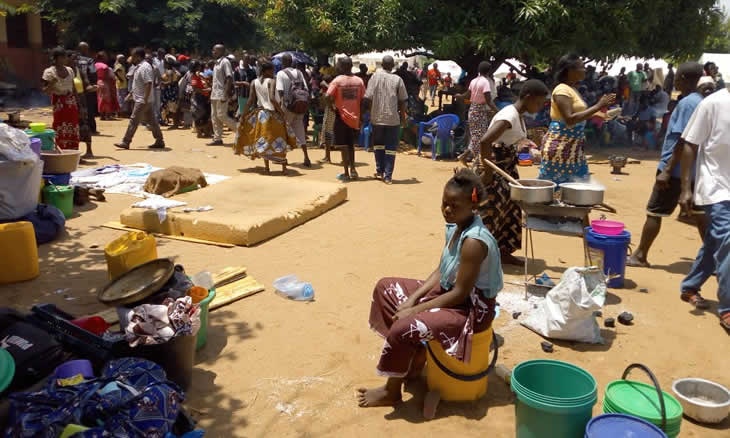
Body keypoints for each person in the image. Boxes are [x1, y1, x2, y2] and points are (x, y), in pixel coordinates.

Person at [357, 168, 502, 417]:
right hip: (451, 293)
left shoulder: (474, 242)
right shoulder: (455, 226)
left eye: (454, 205)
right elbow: (441, 269)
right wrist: (412, 299)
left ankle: (392, 391)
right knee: (386, 288)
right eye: (444, 203)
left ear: (472, 205)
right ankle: (411, 362)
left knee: (406, 325)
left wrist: (414, 310)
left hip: (471, 310)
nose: (447, 210)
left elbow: (460, 293)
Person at [627, 62, 706, 269]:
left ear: (684, 79)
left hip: (676, 169)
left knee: (655, 211)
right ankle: (715, 259)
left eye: (677, 78)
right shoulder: (701, 102)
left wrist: (668, 170)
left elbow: (683, 140)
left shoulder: (688, 103)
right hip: (695, 169)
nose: (675, 82)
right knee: (701, 216)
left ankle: (640, 255)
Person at [472, 80, 549, 266]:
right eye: (538, 103)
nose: (539, 107)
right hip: (494, 166)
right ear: (528, 97)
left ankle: (502, 251)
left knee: (510, 212)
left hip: (506, 167)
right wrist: (488, 172)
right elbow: (485, 142)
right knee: (490, 213)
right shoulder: (509, 115)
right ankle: (478, 257)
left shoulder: (518, 116)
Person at [677, 79, 730, 330]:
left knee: (715, 242)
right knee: (728, 241)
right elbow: (690, 143)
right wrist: (686, 188)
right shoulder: (713, 103)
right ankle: (728, 307)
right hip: (716, 185)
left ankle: (690, 286)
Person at [538, 54, 615, 185]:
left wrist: (598, 114)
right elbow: (569, 119)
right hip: (561, 148)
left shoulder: (572, 89)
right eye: (581, 67)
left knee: (578, 188)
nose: (585, 70)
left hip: (574, 148)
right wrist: (598, 106)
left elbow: (577, 114)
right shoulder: (562, 90)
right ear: (569, 70)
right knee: (555, 189)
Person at [235, 59, 296, 174]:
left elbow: (250, 101)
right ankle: (283, 168)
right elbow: (272, 99)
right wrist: (281, 112)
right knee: (279, 139)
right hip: (272, 115)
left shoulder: (254, 82)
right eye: (272, 70)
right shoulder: (271, 81)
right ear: (267, 71)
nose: (274, 72)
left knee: (264, 140)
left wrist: (243, 115)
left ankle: (267, 168)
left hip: (260, 115)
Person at [363, 55, 408, 185]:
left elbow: (368, 98)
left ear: (381, 65)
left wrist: (368, 113)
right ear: (393, 65)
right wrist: (403, 119)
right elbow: (402, 102)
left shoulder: (374, 77)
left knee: (378, 146)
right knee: (390, 148)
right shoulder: (398, 79)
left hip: (377, 118)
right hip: (392, 119)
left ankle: (379, 171)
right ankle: (388, 176)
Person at [114, 47, 165, 150]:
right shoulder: (139, 67)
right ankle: (159, 141)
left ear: (137, 57)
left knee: (133, 120)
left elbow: (148, 83)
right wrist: (131, 93)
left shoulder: (144, 67)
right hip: (144, 99)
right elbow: (139, 83)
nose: (131, 58)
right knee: (153, 121)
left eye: (132, 56)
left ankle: (126, 141)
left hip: (142, 100)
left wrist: (144, 99)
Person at [325, 57, 366, 181]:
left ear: (342, 66)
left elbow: (327, 96)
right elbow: (364, 99)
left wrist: (332, 108)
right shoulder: (359, 81)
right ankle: (353, 169)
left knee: (343, 146)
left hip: (341, 117)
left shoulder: (337, 81)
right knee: (351, 145)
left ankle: (346, 172)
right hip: (355, 118)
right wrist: (361, 115)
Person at [456, 61, 499, 163]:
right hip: (480, 111)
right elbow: (488, 100)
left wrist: (459, 96)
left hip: (472, 109)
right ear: (489, 71)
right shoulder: (485, 82)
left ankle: (474, 159)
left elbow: (467, 94)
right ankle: (469, 157)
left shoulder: (474, 81)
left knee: (477, 137)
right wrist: (498, 111)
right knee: (479, 138)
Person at [276, 53, 311, 166]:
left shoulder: (281, 73)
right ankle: (306, 157)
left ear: (283, 62)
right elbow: (306, 88)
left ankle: (282, 158)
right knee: (300, 132)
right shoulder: (299, 73)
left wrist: (281, 107)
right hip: (300, 106)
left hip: (288, 107)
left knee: (283, 132)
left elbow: (280, 91)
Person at [41, 47, 80, 150]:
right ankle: (61, 150)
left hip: (71, 103)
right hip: (59, 104)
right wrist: (51, 84)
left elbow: (73, 88)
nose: (65, 59)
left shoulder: (70, 70)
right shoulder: (49, 72)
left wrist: (79, 104)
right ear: (57, 58)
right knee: (59, 126)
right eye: (63, 57)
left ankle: (73, 150)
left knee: (73, 127)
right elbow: (45, 91)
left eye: (65, 57)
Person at [206, 44, 236, 145]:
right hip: (215, 93)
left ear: (221, 52)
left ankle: (240, 130)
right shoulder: (216, 63)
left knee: (222, 115)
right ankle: (217, 138)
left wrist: (225, 94)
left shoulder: (225, 62)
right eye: (213, 50)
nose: (213, 52)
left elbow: (229, 78)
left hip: (221, 93)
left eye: (215, 50)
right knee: (214, 116)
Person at [68, 51, 94, 159]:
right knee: (72, 127)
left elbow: (87, 85)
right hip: (69, 102)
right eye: (72, 59)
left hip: (81, 101)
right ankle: (74, 151)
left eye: (76, 59)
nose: (75, 61)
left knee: (84, 125)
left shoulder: (80, 71)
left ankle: (89, 150)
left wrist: (92, 88)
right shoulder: (64, 72)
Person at [77, 42, 98, 134]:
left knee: (78, 106)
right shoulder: (89, 60)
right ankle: (91, 128)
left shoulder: (73, 60)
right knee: (89, 107)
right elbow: (93, 72)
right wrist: (93, 84)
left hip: (75, 86)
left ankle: (79, 127)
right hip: (87, 87)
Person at [190, 60, 213, 138]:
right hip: (198, 97)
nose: (200, 67)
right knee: (200, 114)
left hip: (203, 97)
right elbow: (194, 88)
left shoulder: (198, 75)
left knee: (204, 114)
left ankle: (204, 132)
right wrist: (206, 90)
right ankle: (200, 132)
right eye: (198, 66)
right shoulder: (194, 76)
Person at [94, 51, 119, 120]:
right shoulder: (105, 66)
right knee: (107, 99)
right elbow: (107, 77)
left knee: (100, 99)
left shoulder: (95, 65)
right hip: (105, 83)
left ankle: (102, 115)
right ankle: (107, 115)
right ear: (102, 57)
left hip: (98, 82)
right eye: (105, 56)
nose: (107, 58)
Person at [160, 55, 181, 125]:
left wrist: (163, 83)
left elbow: (171, 82)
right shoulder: (173, 70)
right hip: (172, 90)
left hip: (171, 91)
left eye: (165, 63)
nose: (164, 64)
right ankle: (175, 123)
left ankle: (175, 123)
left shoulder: (170, 71)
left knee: (172, 107)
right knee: (173, 107)